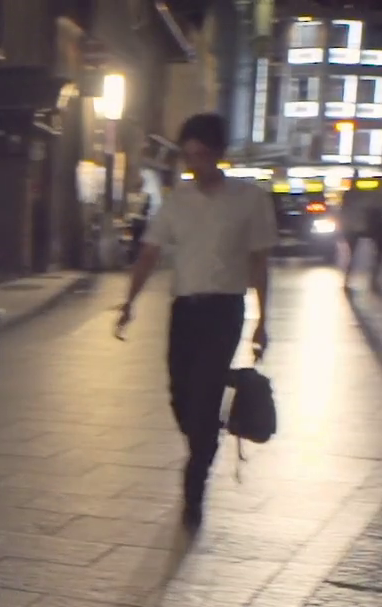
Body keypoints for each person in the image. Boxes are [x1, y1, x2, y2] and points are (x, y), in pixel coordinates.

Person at [116, 112, 276, 529]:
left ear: (219, 153)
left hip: (224, 311)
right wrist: (129, 302)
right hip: (184, 310)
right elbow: (150, 252)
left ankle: (195, 480)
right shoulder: (177, 200)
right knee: (179, 394)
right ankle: (205, 431)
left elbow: (259, 262)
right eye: (188, 157)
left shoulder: (249, 199)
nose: (194, 164)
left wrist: (262, 320)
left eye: (202, 155)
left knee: (203, 394)